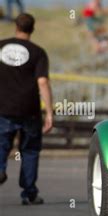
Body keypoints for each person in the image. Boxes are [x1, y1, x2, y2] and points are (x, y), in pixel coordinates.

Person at [0, 13, 54, 205]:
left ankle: (0, 168)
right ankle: (29, 193)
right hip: (29, 110)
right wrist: (49, 111)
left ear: (16, 26)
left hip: (3, 108)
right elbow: (43, 82)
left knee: (2, 144)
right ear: (32, 28)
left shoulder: (1, 46)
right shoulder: (38, 52)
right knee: (30, 151)